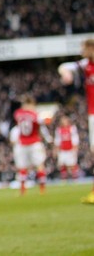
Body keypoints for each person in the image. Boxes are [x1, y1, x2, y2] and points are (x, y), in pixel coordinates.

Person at [58, 38, 94, 203]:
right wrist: (65, 73)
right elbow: (64, 66)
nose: (81, 52)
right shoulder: (85, 65)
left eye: (84, 49)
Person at [11, 95, 50, 196]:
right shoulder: (35, 114)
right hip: (34, 141)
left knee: (23, 167)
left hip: (22, 142)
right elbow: (42, 126)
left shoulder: (18, 113)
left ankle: (23, 190)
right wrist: (48, 138)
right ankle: (42, 189)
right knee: (40, 165)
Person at [53, 115, 80, 181]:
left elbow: (75, 139)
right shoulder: (59, 130)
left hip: (70, 149)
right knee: (62, 164)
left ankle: (75, 178)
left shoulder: (72, 128)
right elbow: (57, 140)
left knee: (72, 164)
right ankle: (64, 179)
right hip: (62, 150)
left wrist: (75, 148)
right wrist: (55, 150)